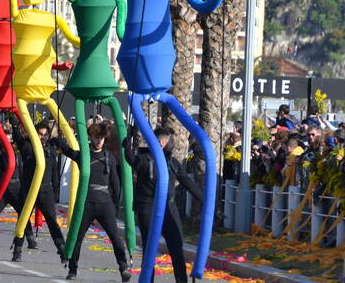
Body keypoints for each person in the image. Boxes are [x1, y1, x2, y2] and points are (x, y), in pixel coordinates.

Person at [123, 126, 203, 283]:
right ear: (161, 143)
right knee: (150, 250)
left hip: (169, 209)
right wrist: (127, 143)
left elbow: (188, 183)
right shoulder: (145, 160)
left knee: (176, 249)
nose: (174, 144)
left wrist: (207, 202)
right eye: (171, 141)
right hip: (149, 208)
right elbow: (132, 160)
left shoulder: (172, 163)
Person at [59, 122, 131, 282]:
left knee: (116, 238)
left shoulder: (109, 157)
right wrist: (59, 142)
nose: (98, 141)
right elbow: (70, 152)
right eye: (96, 137)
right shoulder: (84, 155)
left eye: (101, 138)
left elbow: (116, 184)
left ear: (105, 139)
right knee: (77, 237)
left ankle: (123, 268)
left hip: (105, 203)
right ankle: (72, 269)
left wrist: (114, 205)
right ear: (91, 137)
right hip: (86, 203)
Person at [12, 121, 67, 263]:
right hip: (29, 189)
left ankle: (62, 250)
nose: (42, 137)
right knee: (23, 220)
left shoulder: (50, 149)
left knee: (52, 222)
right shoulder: (28, 147)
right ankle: (17, 250)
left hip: (46, 190)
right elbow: (18, 139)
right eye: (39, 134)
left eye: (44, 135)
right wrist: (14, 125)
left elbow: (55, 171)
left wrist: (54, 191)